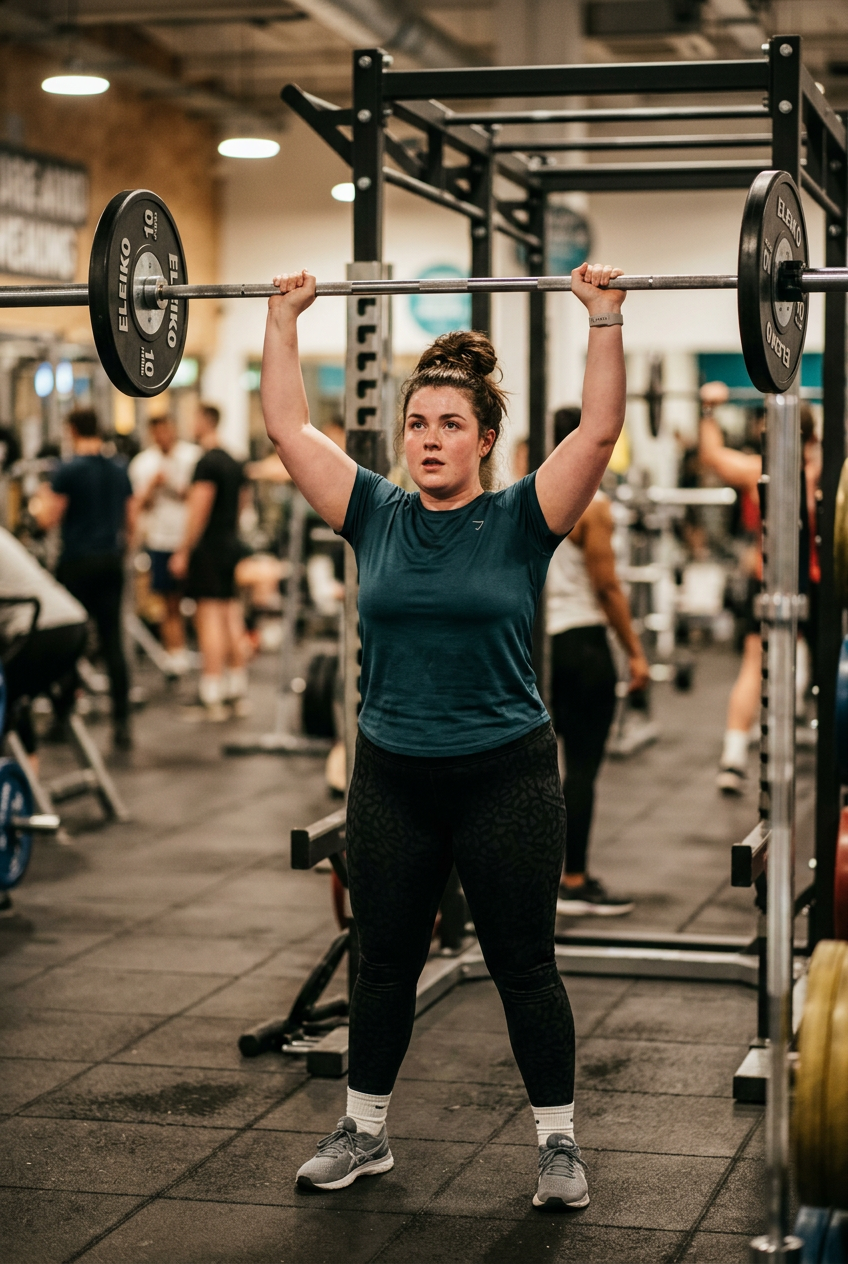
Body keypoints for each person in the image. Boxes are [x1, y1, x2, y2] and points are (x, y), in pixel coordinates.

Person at [260, 261, 626, 1210]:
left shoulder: (522, 519)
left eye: (449, 424)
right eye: (417, 424)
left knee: (524, 963)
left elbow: (597, 431)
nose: (428, 439)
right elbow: (290, 428)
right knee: (385, 960)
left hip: (505, 774)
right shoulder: (372, 512)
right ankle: (363, 1132)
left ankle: (558, 1145)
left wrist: (604, 320)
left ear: (486, 440)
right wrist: (282, 320)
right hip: (393, 774)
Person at [545, 406, 649, 917]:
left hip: (538, 649)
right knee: (581, 769)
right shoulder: (594, 506)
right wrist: (634, 652)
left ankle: (530, 880)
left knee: (533, 771)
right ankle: (575, 878)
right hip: (584, 645)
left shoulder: (533, 494)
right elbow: (607, 587)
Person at [30, 408, 135, 750]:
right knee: (113, 640)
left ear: (72, 430)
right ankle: (122, 723)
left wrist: (40, 501)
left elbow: (48, 519)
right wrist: (122, 552)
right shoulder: (119, 469)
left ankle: (63, 719)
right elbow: (131, 520)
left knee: (71, 640)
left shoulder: (69, 470)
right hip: (110, 561)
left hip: (77, 563)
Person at [169, 404, 250, 721]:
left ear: (205, 422)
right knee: (230, 613)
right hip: (230, 541)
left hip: (209, 547)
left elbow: (198, 510)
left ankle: (211, 693)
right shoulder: (234, 460)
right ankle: (236, 688)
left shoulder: (206, 462)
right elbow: (242, 504)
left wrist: (184, 550)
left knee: (209, 617)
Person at [0, 528, 87, 766]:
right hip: (73, 624)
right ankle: (28, 774)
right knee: (13, 694)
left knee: (7, 695)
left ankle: (23, 780)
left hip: (46, 631)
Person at [128, 413, 199, 673]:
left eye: (167, 430)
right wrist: (152, 486)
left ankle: (207, 656)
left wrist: (174, 486)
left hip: (188, 539)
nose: (163, 436)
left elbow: (199, 498)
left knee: (200, 601)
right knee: (168, 602)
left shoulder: (193, 457)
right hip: (160, 540)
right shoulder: (143, 464)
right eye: (158, 432)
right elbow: (136, 505)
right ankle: (175, 654)